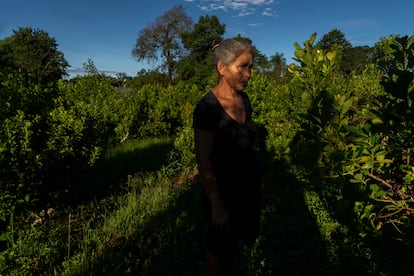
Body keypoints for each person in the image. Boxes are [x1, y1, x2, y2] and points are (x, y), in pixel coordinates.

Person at [193, 38, 264, 275]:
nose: (248, 74)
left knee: (235, 244)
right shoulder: (208, 108)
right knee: (217, 245)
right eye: (242, 67)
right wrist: (216, 205)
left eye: (250, 67)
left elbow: (249, 144)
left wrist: (258, 181)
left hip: (246, 188)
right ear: (222, 68)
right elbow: (203, 160)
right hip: (222, 192)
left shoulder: (244, 100)